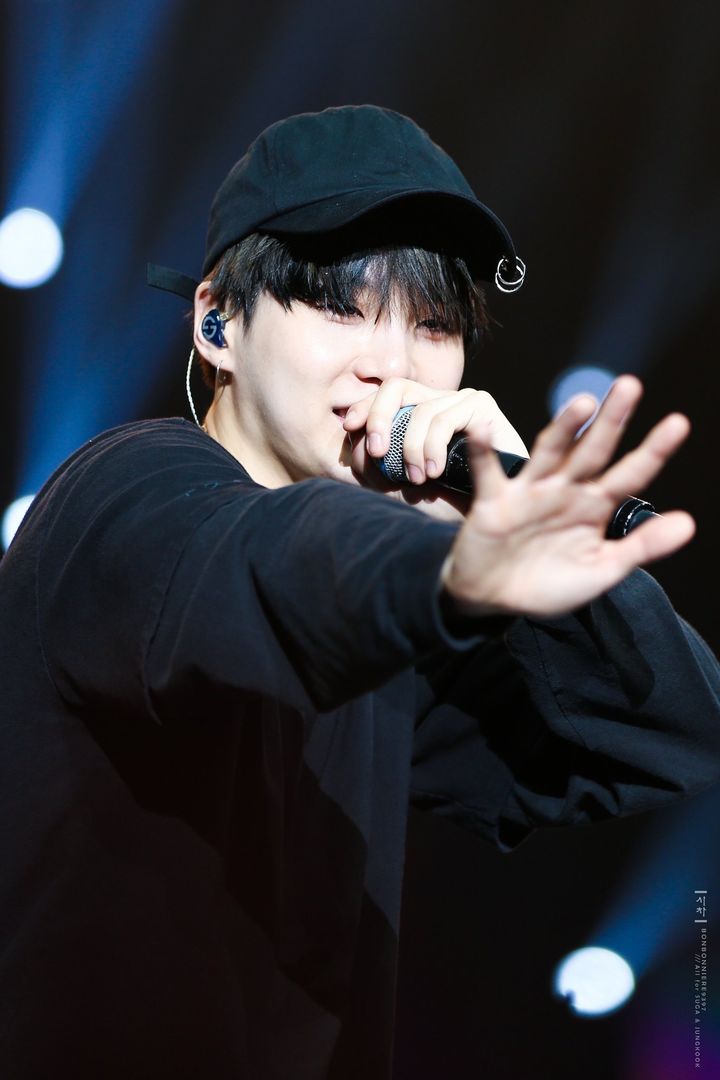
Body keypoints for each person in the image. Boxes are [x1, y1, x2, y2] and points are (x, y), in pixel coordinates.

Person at [1, 104, 718, 1080]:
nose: (394, 366)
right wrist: (441, 568)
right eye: (342, 307)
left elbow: (670, 737)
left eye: (433, 324)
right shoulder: (126, 492)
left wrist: (518, 548)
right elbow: (264, 556)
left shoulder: (384, 624)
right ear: (217, 322)